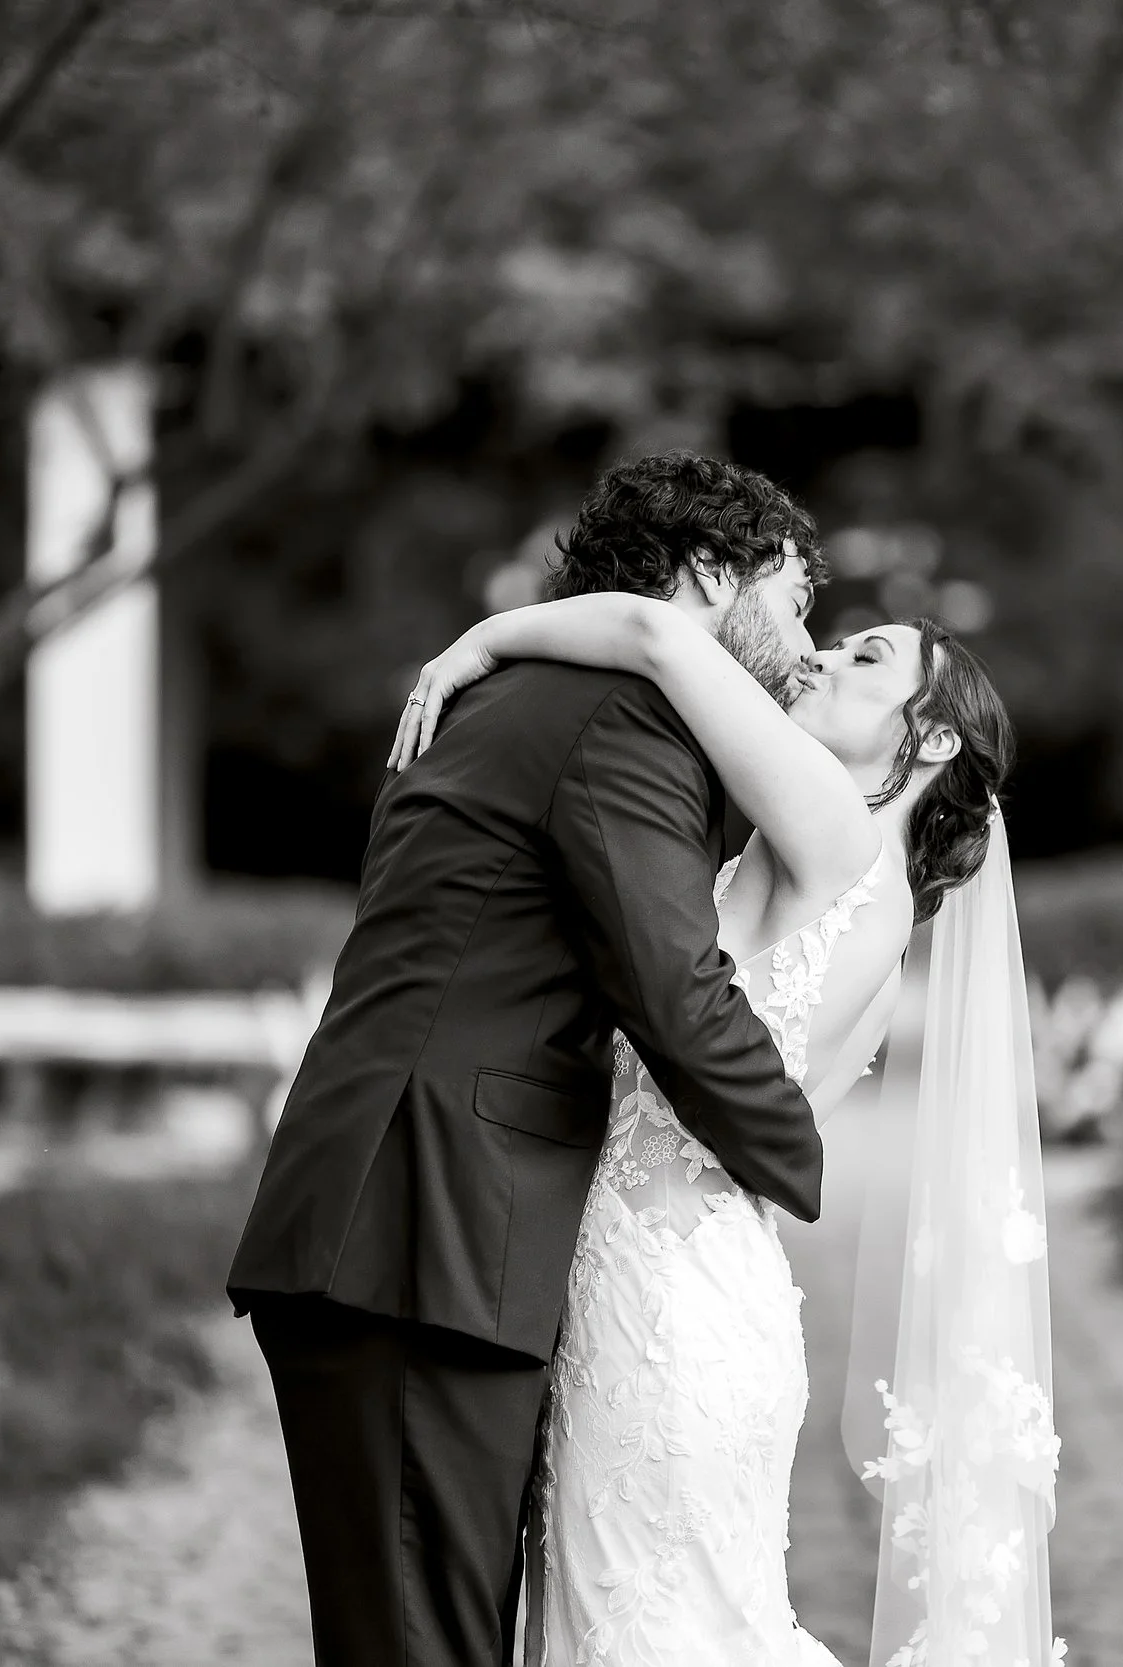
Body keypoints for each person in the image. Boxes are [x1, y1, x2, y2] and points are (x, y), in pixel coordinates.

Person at [226, 452, 829, 1667]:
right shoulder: (618, 717)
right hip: (416, 1229)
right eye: (793, 595)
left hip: (417, 1227)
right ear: (712, 573)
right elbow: (671, 984)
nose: (807, 643)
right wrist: (794, 1153)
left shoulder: (536, 692)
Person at [393, 566, 1060, 1665]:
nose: (830, 656)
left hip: (660, 1314)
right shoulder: (873, 908)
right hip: (698, 1294)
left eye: (868, 659)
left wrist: (478, 644)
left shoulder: (832, 829)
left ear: (930, 741)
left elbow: (657, 634)